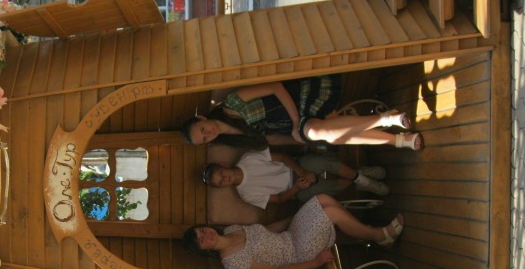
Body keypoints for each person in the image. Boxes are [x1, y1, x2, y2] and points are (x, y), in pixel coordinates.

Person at [183, 194, 404, 269]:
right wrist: (315, 263)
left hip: (291, 236)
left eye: (202, 230)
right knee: (331, 213)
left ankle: (363, 232)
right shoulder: (233, 264)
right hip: (299, 259)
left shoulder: (232, 228)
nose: (206, 235)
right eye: (202, 240)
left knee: (322, 199)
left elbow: (268, 229)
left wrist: (297, 217)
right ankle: (379, 235)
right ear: (205, 250)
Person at [180, 77, 423, 150]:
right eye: (204, 139)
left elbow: (276, 87)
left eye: (202, 129)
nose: (208, 134)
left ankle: (390, 124)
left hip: (300, 101)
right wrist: (300, 140)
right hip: (297, 128)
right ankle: (395, 135)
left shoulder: (232, 103)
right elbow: (271, 139)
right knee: (324, 135)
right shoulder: (233, 140)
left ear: (202, 118)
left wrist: (297, 121)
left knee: (317, 131)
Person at [201, 148, 389, 207]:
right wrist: (298, 186)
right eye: (220, 182)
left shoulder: (248, 158)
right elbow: (280, 199)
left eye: (221, 174)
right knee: (326, 189)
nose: (224, 179)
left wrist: (301, 172)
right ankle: (359, 178)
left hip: (296, 167)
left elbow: (283, 157)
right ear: (222, 187)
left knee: (321, 162)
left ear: (223, 166)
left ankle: (363, 178)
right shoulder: (246, 195)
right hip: (295, 191)